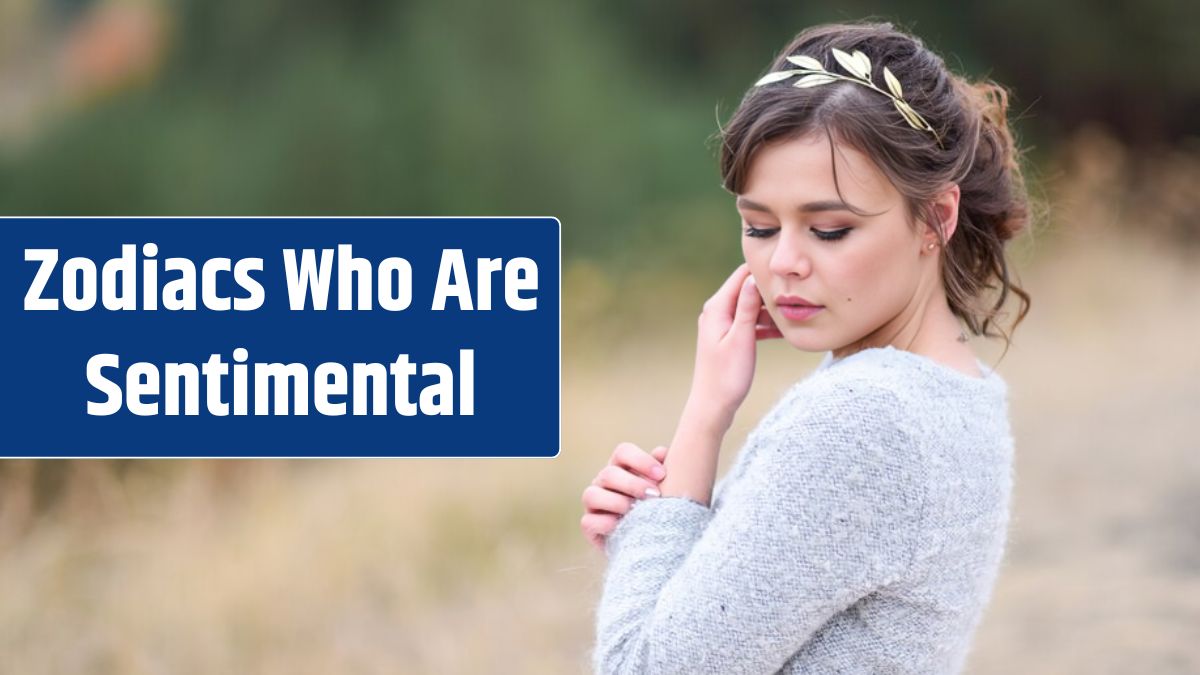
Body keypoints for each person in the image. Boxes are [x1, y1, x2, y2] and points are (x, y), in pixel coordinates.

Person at [581, 19, 1033, 674]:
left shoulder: (860, 423)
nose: (784, 262)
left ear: (936, 216)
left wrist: (705, 415)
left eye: (828, 229)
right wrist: (654, 529)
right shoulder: (958, 389)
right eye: (759, 226)